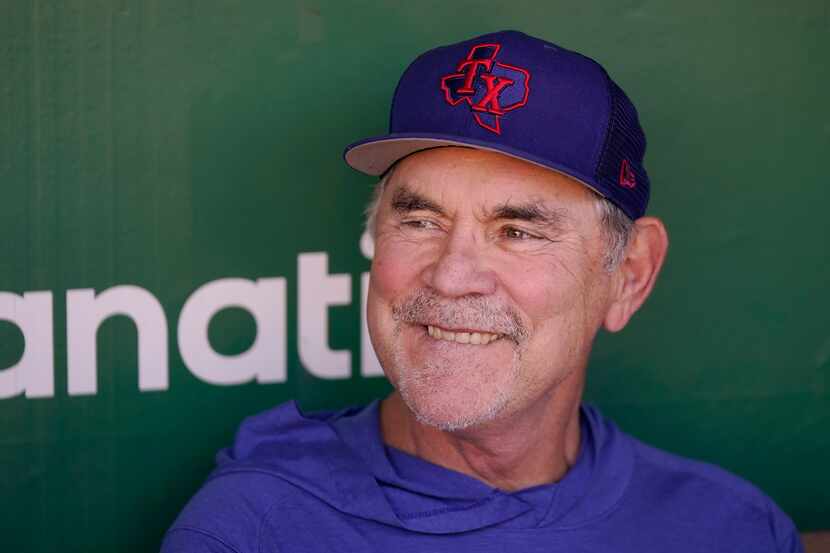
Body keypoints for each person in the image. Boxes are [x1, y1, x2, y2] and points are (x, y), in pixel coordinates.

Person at [161, 30, 803, 552]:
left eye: (518, 231)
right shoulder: (252, 530)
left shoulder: (732, 529)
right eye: (419, 221)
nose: (451, 275)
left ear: (628, 275)